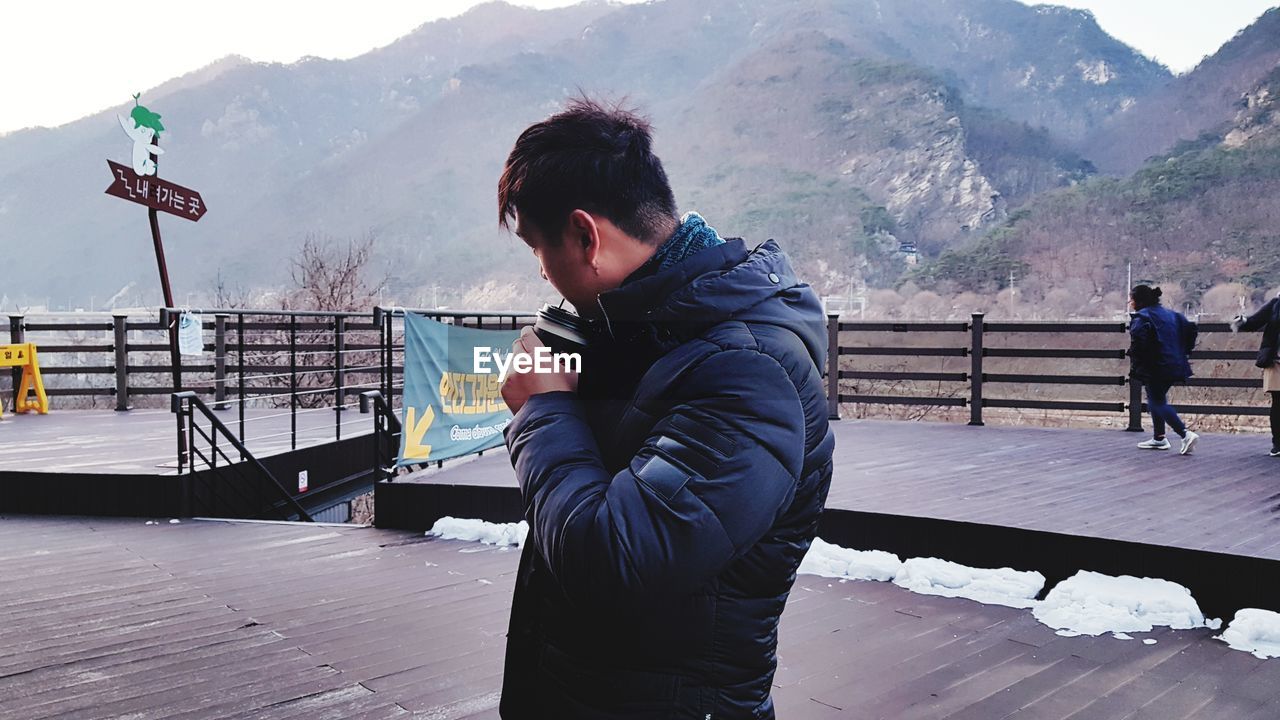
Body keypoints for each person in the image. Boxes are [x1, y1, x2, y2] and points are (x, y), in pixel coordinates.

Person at [493, 98, 835, 719]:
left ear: (584, 235)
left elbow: (613, 562)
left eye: (538, 250)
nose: (543, 275)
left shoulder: (749, 371)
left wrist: (543, 410)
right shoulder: (643, 335)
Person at [1128, 284, 1199, 455]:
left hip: (1156, 366)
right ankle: (1159, 438)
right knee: (1157, 398)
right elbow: (1191, 329)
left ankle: (1185, 434)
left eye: (1132, 299)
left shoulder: (1142, 318)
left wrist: (1137, 366)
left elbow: (1139, 345)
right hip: (1175, 363)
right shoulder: (1172, 315)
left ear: (1139, 301)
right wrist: (1184, 351)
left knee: (1156, 402)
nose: (1130, 302)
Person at [1230, 292, 1280, 457]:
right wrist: (1242, 321)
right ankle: (1278, 444)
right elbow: (1254, 321)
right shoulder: (1276, 303)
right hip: (1276, 362)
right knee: (1278, 403)